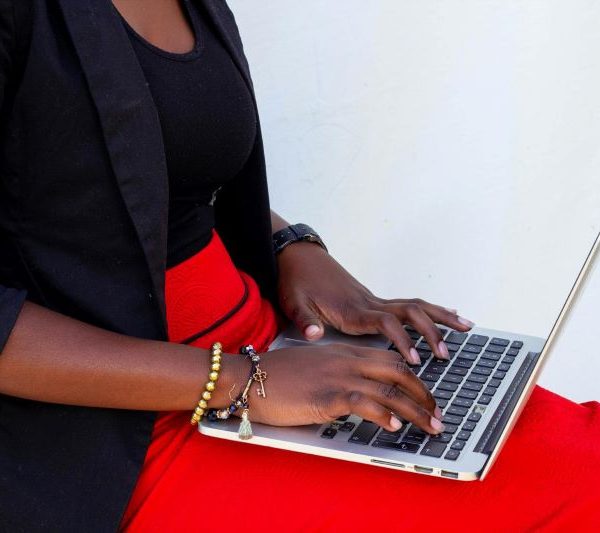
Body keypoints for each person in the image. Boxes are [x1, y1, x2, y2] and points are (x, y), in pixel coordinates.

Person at [0, 1, 598, 531]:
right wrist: (238, 382)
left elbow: (156, 178)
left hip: (267, 352)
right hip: (106, 433)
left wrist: (295, 247)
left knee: (574, 457)